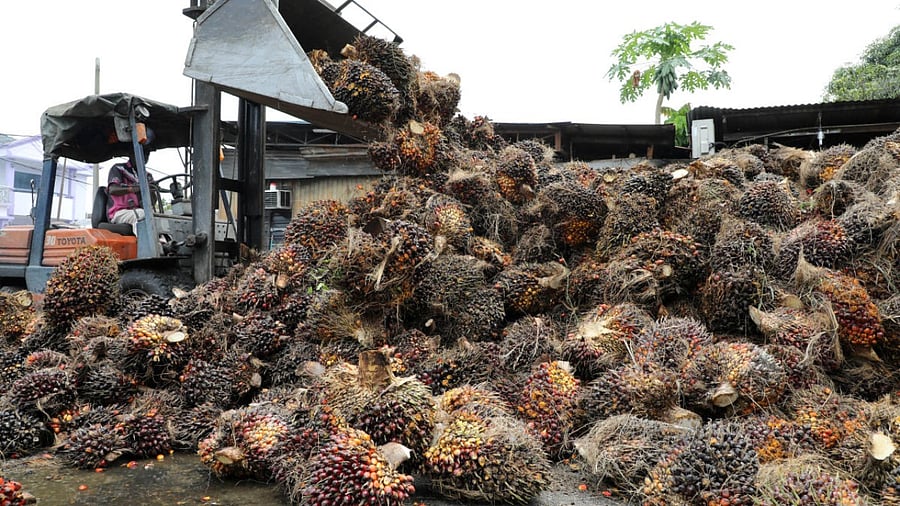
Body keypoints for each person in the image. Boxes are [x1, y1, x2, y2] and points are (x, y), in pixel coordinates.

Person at [106, 137, 156, 234]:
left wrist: (152, 191)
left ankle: (166, 245)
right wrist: (133, 189)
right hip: (119, 212)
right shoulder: (118, 169)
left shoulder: (148, 176)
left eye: (147, 154)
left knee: (160, 218)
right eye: (142, 153)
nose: (144, 157)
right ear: (131, 153)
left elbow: (153, 201)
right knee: (141, 215)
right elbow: (113, 189)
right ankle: (145, 247)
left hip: (139, 210)